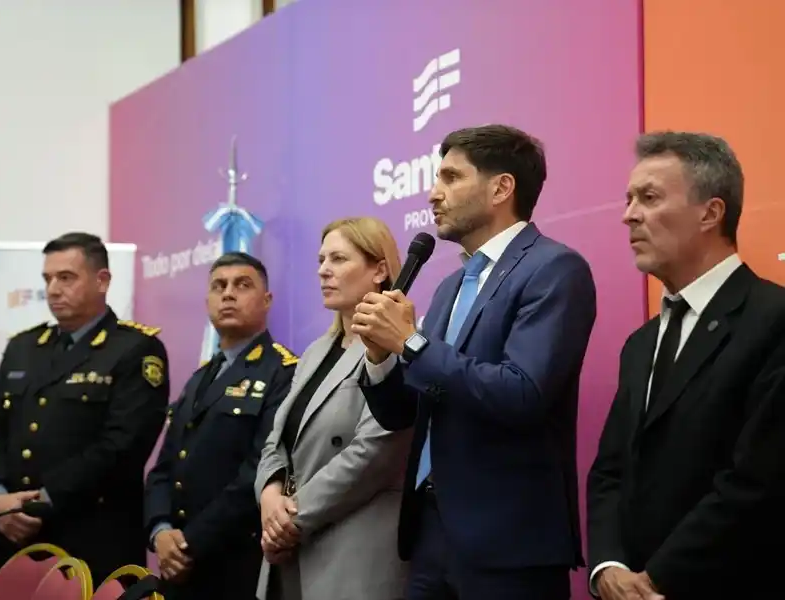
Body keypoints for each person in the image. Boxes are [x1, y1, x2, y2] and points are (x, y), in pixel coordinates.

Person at [352, 125, 598, 600]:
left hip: (507, 544)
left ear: (501, 188)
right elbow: (404, 413)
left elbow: (521, 393)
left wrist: (411, 345)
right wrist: (383, 358)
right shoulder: (450, 286)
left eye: (449, 177)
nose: (432, 193)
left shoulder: (554, 269)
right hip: (429, 534)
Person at [587, 131, 785, 600]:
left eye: (649, 197)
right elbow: (610, 471)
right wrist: (608, 566)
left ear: (711, 213)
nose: (628, 214)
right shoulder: (640, 344)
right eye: (629, 198)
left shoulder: (772, 319)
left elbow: (758, 480)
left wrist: (657, 579)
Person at [0, 232, 170, 585]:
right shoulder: (23, 347)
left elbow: (123, 445)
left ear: (102, 280)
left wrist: (41, 500)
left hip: (92, 544)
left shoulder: (135, 349)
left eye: (66, 277)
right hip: (14, 540)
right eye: (48, 279)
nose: (53, 289)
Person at [254, 217, 411, 600]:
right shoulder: (312, 354)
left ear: (379, 270)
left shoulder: (400, 347)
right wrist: (270, 498)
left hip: (353, 554)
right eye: (322, 259)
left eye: (339, 259)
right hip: (290, 553)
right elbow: (276, 442)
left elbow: (375, 452)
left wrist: (289, 520)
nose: (323, 269)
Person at [144, 252, 296, 600]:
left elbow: (258, 471)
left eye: (242, 285)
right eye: (219, 286)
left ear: (267, 300)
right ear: (208, 300)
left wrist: (189, 542)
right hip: (177, 566)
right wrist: (161, 530)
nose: (228, 294)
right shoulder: (199, 378)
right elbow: (165, 466)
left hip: (235, 564)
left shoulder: (283, 373)